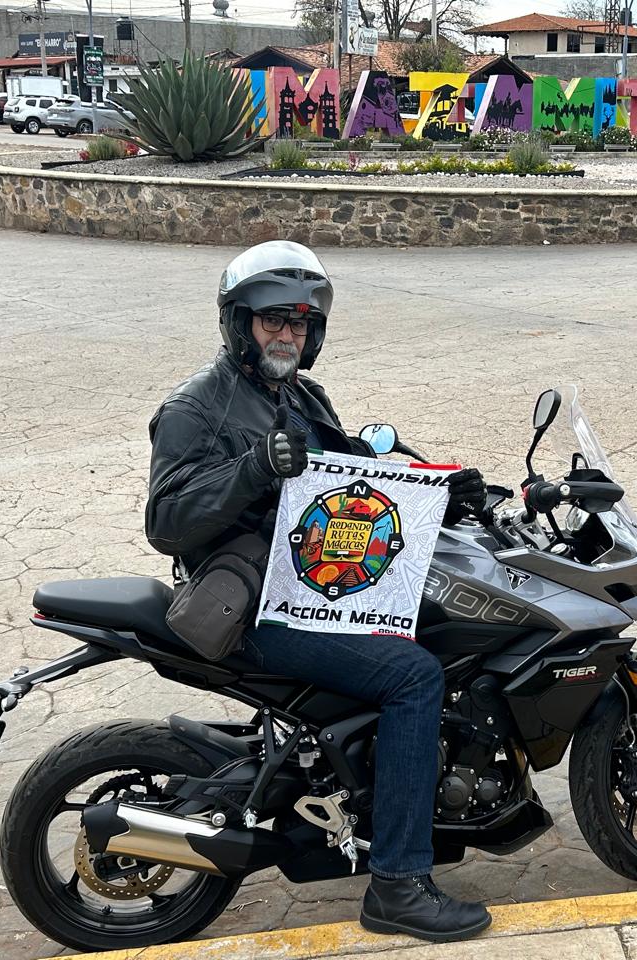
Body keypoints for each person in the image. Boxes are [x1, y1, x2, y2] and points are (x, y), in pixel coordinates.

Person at [145, 241, 492, 944]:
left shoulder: (300, 395)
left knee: (435, 631)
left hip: (319, 584)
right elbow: (166, 521)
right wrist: (251, 468)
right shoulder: (195, 407)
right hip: (254, 608)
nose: (287, 335)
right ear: (240, 324)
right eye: (273, 320)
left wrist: (440, 489)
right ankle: (398, 883)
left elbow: (353, 471)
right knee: (414, 678)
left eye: (300, 323)